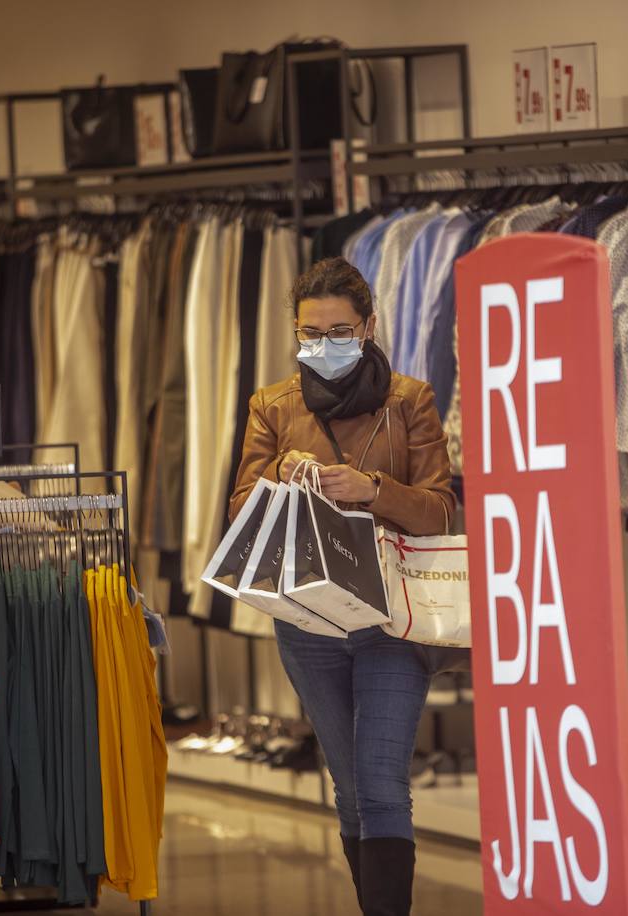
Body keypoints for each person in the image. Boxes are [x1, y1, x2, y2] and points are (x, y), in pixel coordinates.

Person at [228, 256, 454, 916]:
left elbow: (443, 509)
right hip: (308, 616)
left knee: (383, 781)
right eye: (309, 333)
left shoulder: (409, 401)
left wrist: (373, 490)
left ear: (369, 327)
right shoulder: (272, 405)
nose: (322, 346)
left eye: (338, 331)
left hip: (390, 617)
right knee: (350, 786)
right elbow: (242, 506)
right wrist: (281, 474)